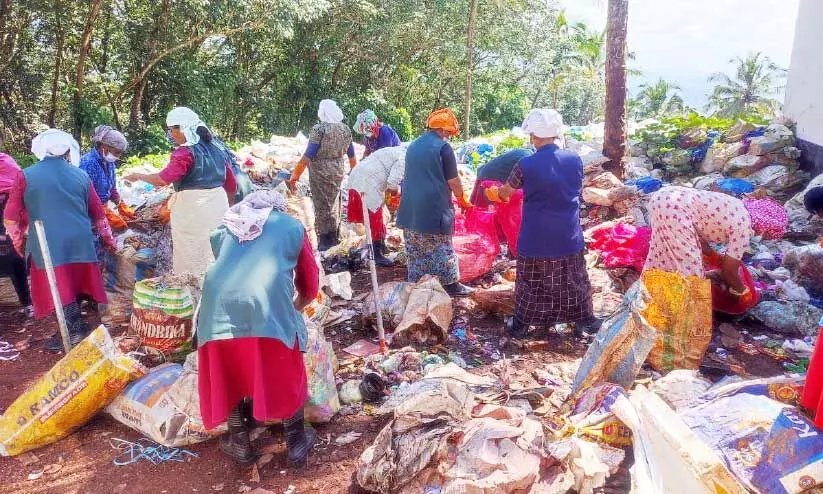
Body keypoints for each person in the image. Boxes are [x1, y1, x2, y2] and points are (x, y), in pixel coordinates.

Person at [196, 190, 319, 467]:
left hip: (217, 308)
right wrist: (295, 308)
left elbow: (225, 261)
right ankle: (296, 442)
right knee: (286, 367)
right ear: (278, 209)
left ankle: (239, 440)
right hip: (265, 302)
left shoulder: (228, 225)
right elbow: (310, 284)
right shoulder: (291, 226)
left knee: (229, 367)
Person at [486, 109, 596, 338]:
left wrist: (493, 193)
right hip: (568, 234)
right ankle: (584, 320)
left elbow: (506, 194)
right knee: (574, 279)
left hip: (535, 236)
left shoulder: (524, 165)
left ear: (534, 136)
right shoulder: (575, 159)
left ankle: (522, 325)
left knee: (531, 283)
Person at [4, 129, 115, 352]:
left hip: (48, 244)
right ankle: (75, 327)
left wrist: (18, 243)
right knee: (74, 284)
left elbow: (10, 216)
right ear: (67, 150)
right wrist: (109, 241)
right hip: (81, 242)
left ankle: (73, 332)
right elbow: (99, 214)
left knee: (58, 287)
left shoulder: (26, 175)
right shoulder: (81, 175)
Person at [124, 107, 237, 278]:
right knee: (213, 250)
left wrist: (138, 175)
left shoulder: (184, 153)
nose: (171, 135)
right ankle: (214, 289)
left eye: (171, 130)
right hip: (217, 205)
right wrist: (228, 207)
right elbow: (231, 183)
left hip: (193, 210)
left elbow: (163, 179)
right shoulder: (217, 150)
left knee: (191, 254)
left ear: (182, 128)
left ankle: (193, 294)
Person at [396, 108, 474, 297]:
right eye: (448, 132)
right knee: (441, 246)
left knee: (415, 246)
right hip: (433, 205)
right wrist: (463, 199)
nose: (448, 136)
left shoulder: (414, 145)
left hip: (409, 205)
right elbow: (453, 181)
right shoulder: (443, 148)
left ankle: (417, 284)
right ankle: (451, 285)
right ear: (442, 130)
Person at [643, 186, 753, 293]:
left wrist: (714, 262)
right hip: (675, 208)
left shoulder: (735, 204)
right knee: (692, 275)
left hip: (662, 197)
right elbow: (730, 272)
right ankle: (686, 309)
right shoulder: (744, 229)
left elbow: (699, 240)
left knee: (662, 256)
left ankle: (649, 299)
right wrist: (743, 291)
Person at [287, 100, 357, 251]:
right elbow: (351, 155)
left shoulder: (319, 129)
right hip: (338, 169)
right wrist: (354, 172)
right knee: (334, 202)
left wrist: (295, 176)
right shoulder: (345, 129)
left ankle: (325, 240)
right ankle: (335, 235)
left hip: (320, 170)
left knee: (322, 204)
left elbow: (308, 155)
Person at [346, 145, 406, 266]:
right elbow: (392, 182)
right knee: (375, 217)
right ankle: (376, 253)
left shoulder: (396, 150)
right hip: (368, 182)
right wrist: (397, 193)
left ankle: (380, 246)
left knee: (375, 215)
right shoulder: (404, 158)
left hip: (359, 176)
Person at [79, 125, 135, 231]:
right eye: (117, 152)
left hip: (102, 209)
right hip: (89, 215)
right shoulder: (88, 163)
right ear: (104, 147)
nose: (118, 156)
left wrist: (120, 203)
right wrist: (104, 213)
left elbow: (111, 186)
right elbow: (85, 197)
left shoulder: (108, 162)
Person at [0, 138, 31, 316]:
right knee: (14, 255)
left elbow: (20, 185)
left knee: (14, 256)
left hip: (8, 214)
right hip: (9, 214)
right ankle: (26, 302)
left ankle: (26, 302)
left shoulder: (6, 162)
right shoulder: (8, 162)